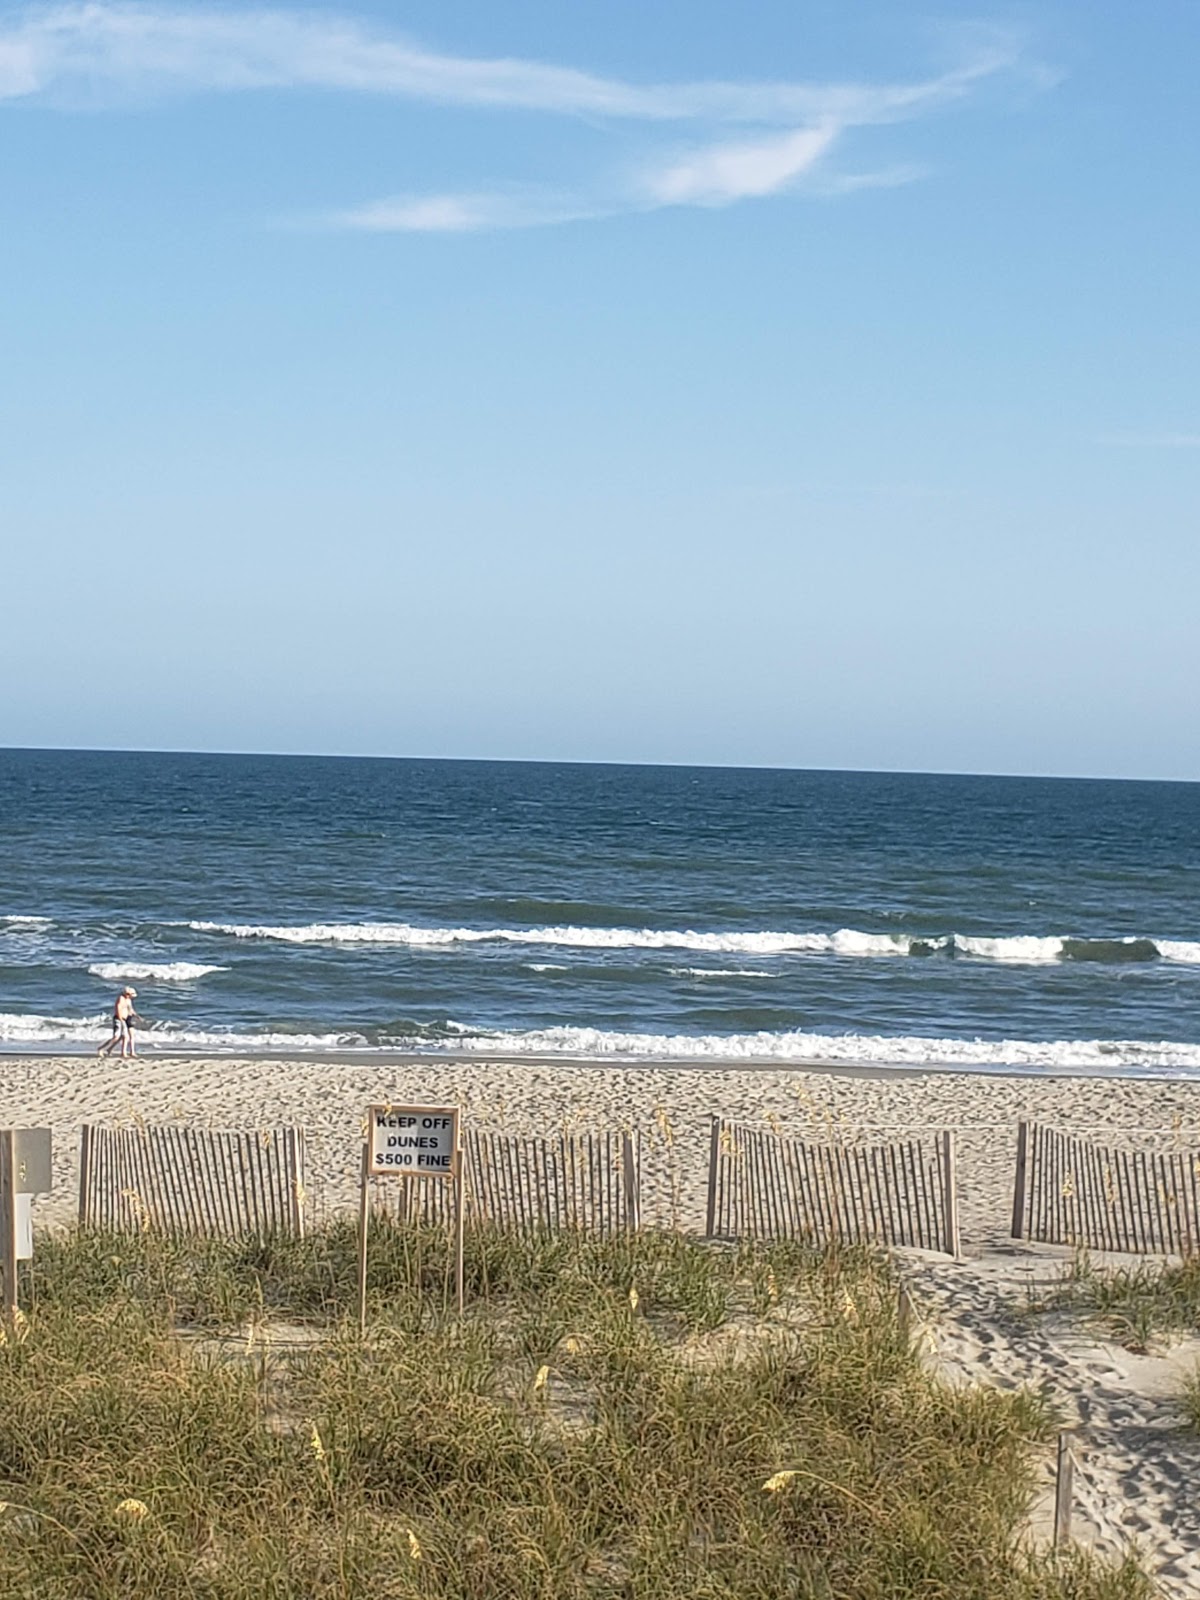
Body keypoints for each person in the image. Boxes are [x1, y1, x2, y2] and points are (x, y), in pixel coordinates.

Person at [98, 986, 141, 1058]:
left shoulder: (128, 1000)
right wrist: (121, 1020)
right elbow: (118, 1009)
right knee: (116, 1037)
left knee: (125, 1037)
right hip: (119, 1019)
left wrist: (136, 1016)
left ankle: (122, 1053)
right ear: (127, 994)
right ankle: (101, 1048)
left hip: (124, 1019)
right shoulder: (121, 999)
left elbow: (130, 1009)